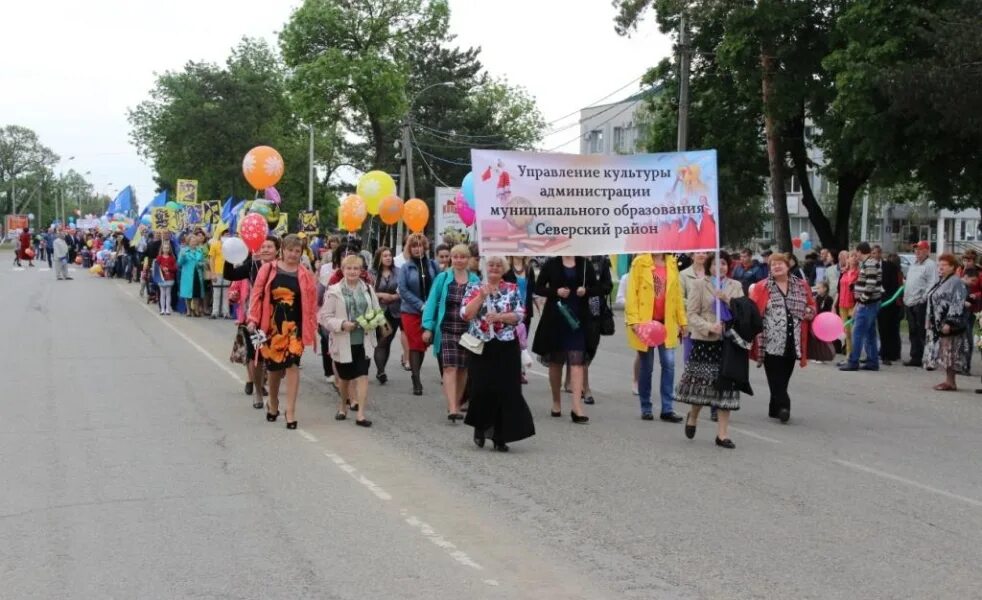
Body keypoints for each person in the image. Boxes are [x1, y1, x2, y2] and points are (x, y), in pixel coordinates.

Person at [461, 256, 535, 451]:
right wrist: (481, 297)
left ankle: (500, 435)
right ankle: (480, 426)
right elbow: (466, 314)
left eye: (498, 265)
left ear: (504, 269)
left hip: (506, 345)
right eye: (491, 265)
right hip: (482, 345)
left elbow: (520, 314)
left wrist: (500, 316)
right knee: (481, 387)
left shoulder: (511, 288)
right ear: (485, 267)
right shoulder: (475, 287)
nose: (494, 268)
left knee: (506, 389)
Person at [247, 234, 318, 429]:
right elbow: (257, 295)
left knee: (293, 366)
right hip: (271, 326)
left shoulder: (305, 274)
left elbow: (311, 304)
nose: (293, 254)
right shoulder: (268, 269)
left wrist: (312, 327)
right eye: (290, 250)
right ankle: (274, 401)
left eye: (297, 251)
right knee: (274, 369)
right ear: (282, 250)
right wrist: (252, 319)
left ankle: (291, 411)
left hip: (295, 328)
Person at [678, 252, 744, 448]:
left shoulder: (735, 286)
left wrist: (727, 301)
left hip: (728, 343)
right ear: (709, 267)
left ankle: (722, 434)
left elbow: (743, 312)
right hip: (705, 342)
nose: (720, 267)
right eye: (716, 264)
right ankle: (693, 416)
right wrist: (708, 326)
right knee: (702, 387)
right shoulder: (699, 284)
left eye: (723, 263)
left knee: (726, 388)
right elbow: (691, 314)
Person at [532, 256, 601, 423]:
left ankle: (577, 407)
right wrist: (556, 292)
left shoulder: (585, 264)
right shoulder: (552, 264)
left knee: (577, 361)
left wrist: (586, 291)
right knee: (556, 361)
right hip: (557, 318)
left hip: (578, 320)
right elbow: (538, 287)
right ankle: (556, 401)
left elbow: (598, 287)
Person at [750, 253, 816, 423]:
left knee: (784, 376)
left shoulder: (801, 285)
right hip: (769, 341)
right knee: (775, 376)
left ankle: (774, 407)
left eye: (780, 264)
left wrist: (809, 312)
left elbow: (811, 305)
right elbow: (752, 312)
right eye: (773, 264)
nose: (776, 267)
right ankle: (784, 406)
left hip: (793, 339)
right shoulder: (761, 287)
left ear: (788, 266)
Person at [319, 254, 381, 426]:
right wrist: (342, 324)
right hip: (343, 341)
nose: (353, 272)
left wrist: (371, 321)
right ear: (343, 270)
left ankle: (361, 414)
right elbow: (324, 317)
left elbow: (377, 311)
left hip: (364, 341)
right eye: (349, 268)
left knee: (362, 375)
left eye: (356, 268)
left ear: (361, 271)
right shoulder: (334, 291)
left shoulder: (368, 289)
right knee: (345, 379)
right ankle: (342, 406)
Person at [624, 253, 687, 423]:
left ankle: (667, 408)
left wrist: (683, 321)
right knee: (647, 367)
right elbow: (632, 294)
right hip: (645, 325)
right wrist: (634, 321)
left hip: (667, 324)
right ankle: (646, 406)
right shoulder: (640, 262)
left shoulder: (672, 262)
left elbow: (677, 297)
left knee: (669, 364)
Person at [423, 244, 480, 422]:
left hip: (467, 330)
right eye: (455, 257)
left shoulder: (475, 280)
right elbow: (432, 302)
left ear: (468, 259)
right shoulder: (443, 278)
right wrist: (427, 326)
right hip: (447, 328)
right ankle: (452, 407)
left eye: (462, 257)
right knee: (449, 367)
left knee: (463, 369)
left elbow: (480, 305)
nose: (459, 260)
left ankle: (456, 401)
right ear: (451, 259)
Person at [225, 235, 280, 409]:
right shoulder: (252, 266)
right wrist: (230, 256)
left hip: (277, 319)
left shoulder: (282, 268)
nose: (265, 249)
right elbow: (230, 274)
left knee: (278, 360)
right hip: (254, 320)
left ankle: (272, 393)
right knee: (257, 356)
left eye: (269, 247)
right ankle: (258, 390)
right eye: (262, 246)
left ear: (277, 250)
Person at [397, 233, 438, 395]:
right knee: (415, 343)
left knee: (423, 345)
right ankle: (416, 378)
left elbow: (437, 286)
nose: (417, 249)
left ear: (425, 247)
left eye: (420, 245)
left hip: (430, 311)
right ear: (410, 248)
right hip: (411, 312)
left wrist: (430, 305)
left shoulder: (433, 265)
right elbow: (403, 290)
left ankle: (416, 372)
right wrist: (421, 305)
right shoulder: (405, 268)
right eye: (414, 246)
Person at [925, 254, 968, 391]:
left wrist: (949, 322)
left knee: (950, 352)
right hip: (937, 322)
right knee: (944, 352)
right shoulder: (942, 281)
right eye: (939, 265)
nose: (940, 268)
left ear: (952, 267)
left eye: (944, 265)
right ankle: (948, 381)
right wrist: (929, 319)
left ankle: (951, 382)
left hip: (948, 324)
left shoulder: (956, 282)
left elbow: (957, 303)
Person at [840, 242, 883, 371]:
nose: (856, 256)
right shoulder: (870, 263)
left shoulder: (870, 264)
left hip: (867, 305)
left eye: (856, 253)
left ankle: (853, 361)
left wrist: (861, 301)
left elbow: (870, 285)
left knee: (857, 333)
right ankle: (872, 361)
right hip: (870, 303)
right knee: (870, 334)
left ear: (859, 252)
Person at [503, 256, 538, 384]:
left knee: (522, 342)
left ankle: (521, 371)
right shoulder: (506, 269)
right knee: (511, 341)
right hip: (511, 311)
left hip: (526, 311)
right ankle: (513, 371)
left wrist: (537, 303)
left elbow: (532, 290)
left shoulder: (529, 270)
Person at [903, 241, 938, 367]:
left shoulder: (930, 265)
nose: (917, 252)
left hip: (920, 303)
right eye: (916, 249)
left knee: (922, 331)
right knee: (913, 331)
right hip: (909, 302)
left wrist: (923, 299)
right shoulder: (914, 264)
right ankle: (915, 357)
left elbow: (932, 283)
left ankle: (928, 357)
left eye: (920, 249)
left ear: (927, 251)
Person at [370, 246, 401, 384]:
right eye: (385, 256)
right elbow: (367, 291)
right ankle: (381, 371)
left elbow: (404, 289)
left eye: (390, 255)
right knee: (383, 339)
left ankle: (380, 370)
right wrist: (381, 295)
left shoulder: (398, 272)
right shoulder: (372, 273)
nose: (388, 258)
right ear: (379, 258)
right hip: (378, 311)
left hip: (394, 311)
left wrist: (395, 297)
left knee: (387, 341)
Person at [876, 253, 905, 365]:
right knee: (893, 330)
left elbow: (897, 288)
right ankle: (894, 352)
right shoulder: (898, 273)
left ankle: (890, 352)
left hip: (894, 304)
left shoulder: (896, 274)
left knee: (890, 329)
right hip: (895, 304)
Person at [178, 234, 207, 317]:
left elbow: (202, 261)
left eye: (194, 241)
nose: (193, 243)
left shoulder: (199, 251)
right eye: (192, 241)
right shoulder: (184, 251)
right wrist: (182, 257)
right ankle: (188, 310)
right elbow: (179, 263)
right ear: (188, 242)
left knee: (196, 293)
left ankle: (196, 310)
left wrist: (201, 264)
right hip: (187, 275)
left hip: (197, 274)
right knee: (187, 294)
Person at [962, 267, 981, 375]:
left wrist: (971, 299)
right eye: (973, 280)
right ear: (965, 277)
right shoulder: (960, 286)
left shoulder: (968, 287)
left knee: (967, 341)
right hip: (961, 318)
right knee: (966, 342)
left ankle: (965, 366)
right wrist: (964, 302)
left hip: (968, 315)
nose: (974, 283)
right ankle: (963, 365)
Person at [209, 228, 232, 319]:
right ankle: (215, 312)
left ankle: (225, 312)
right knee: (216, 293)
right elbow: (211, 259)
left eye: (228, 235)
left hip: (228, 272)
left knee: (226, 293)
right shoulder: (215, 245)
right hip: (217, 272)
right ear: (221, 235)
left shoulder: (231, 246)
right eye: (225, 234)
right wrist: (213, 273)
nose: (227, 236)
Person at [154, 242, 177, 315]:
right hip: (161, 278)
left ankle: (167, 309)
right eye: (164, 248)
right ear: (162, 249)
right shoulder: (159, 257)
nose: (166, 250)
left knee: (168, 293)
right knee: (162, 294)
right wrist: (161, 268)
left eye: (167, 248)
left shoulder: (172, 258)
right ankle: (162, 309)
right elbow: (156, 267)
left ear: (169, 249)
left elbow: (175, 268)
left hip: (169, 278)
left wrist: (169, 269)